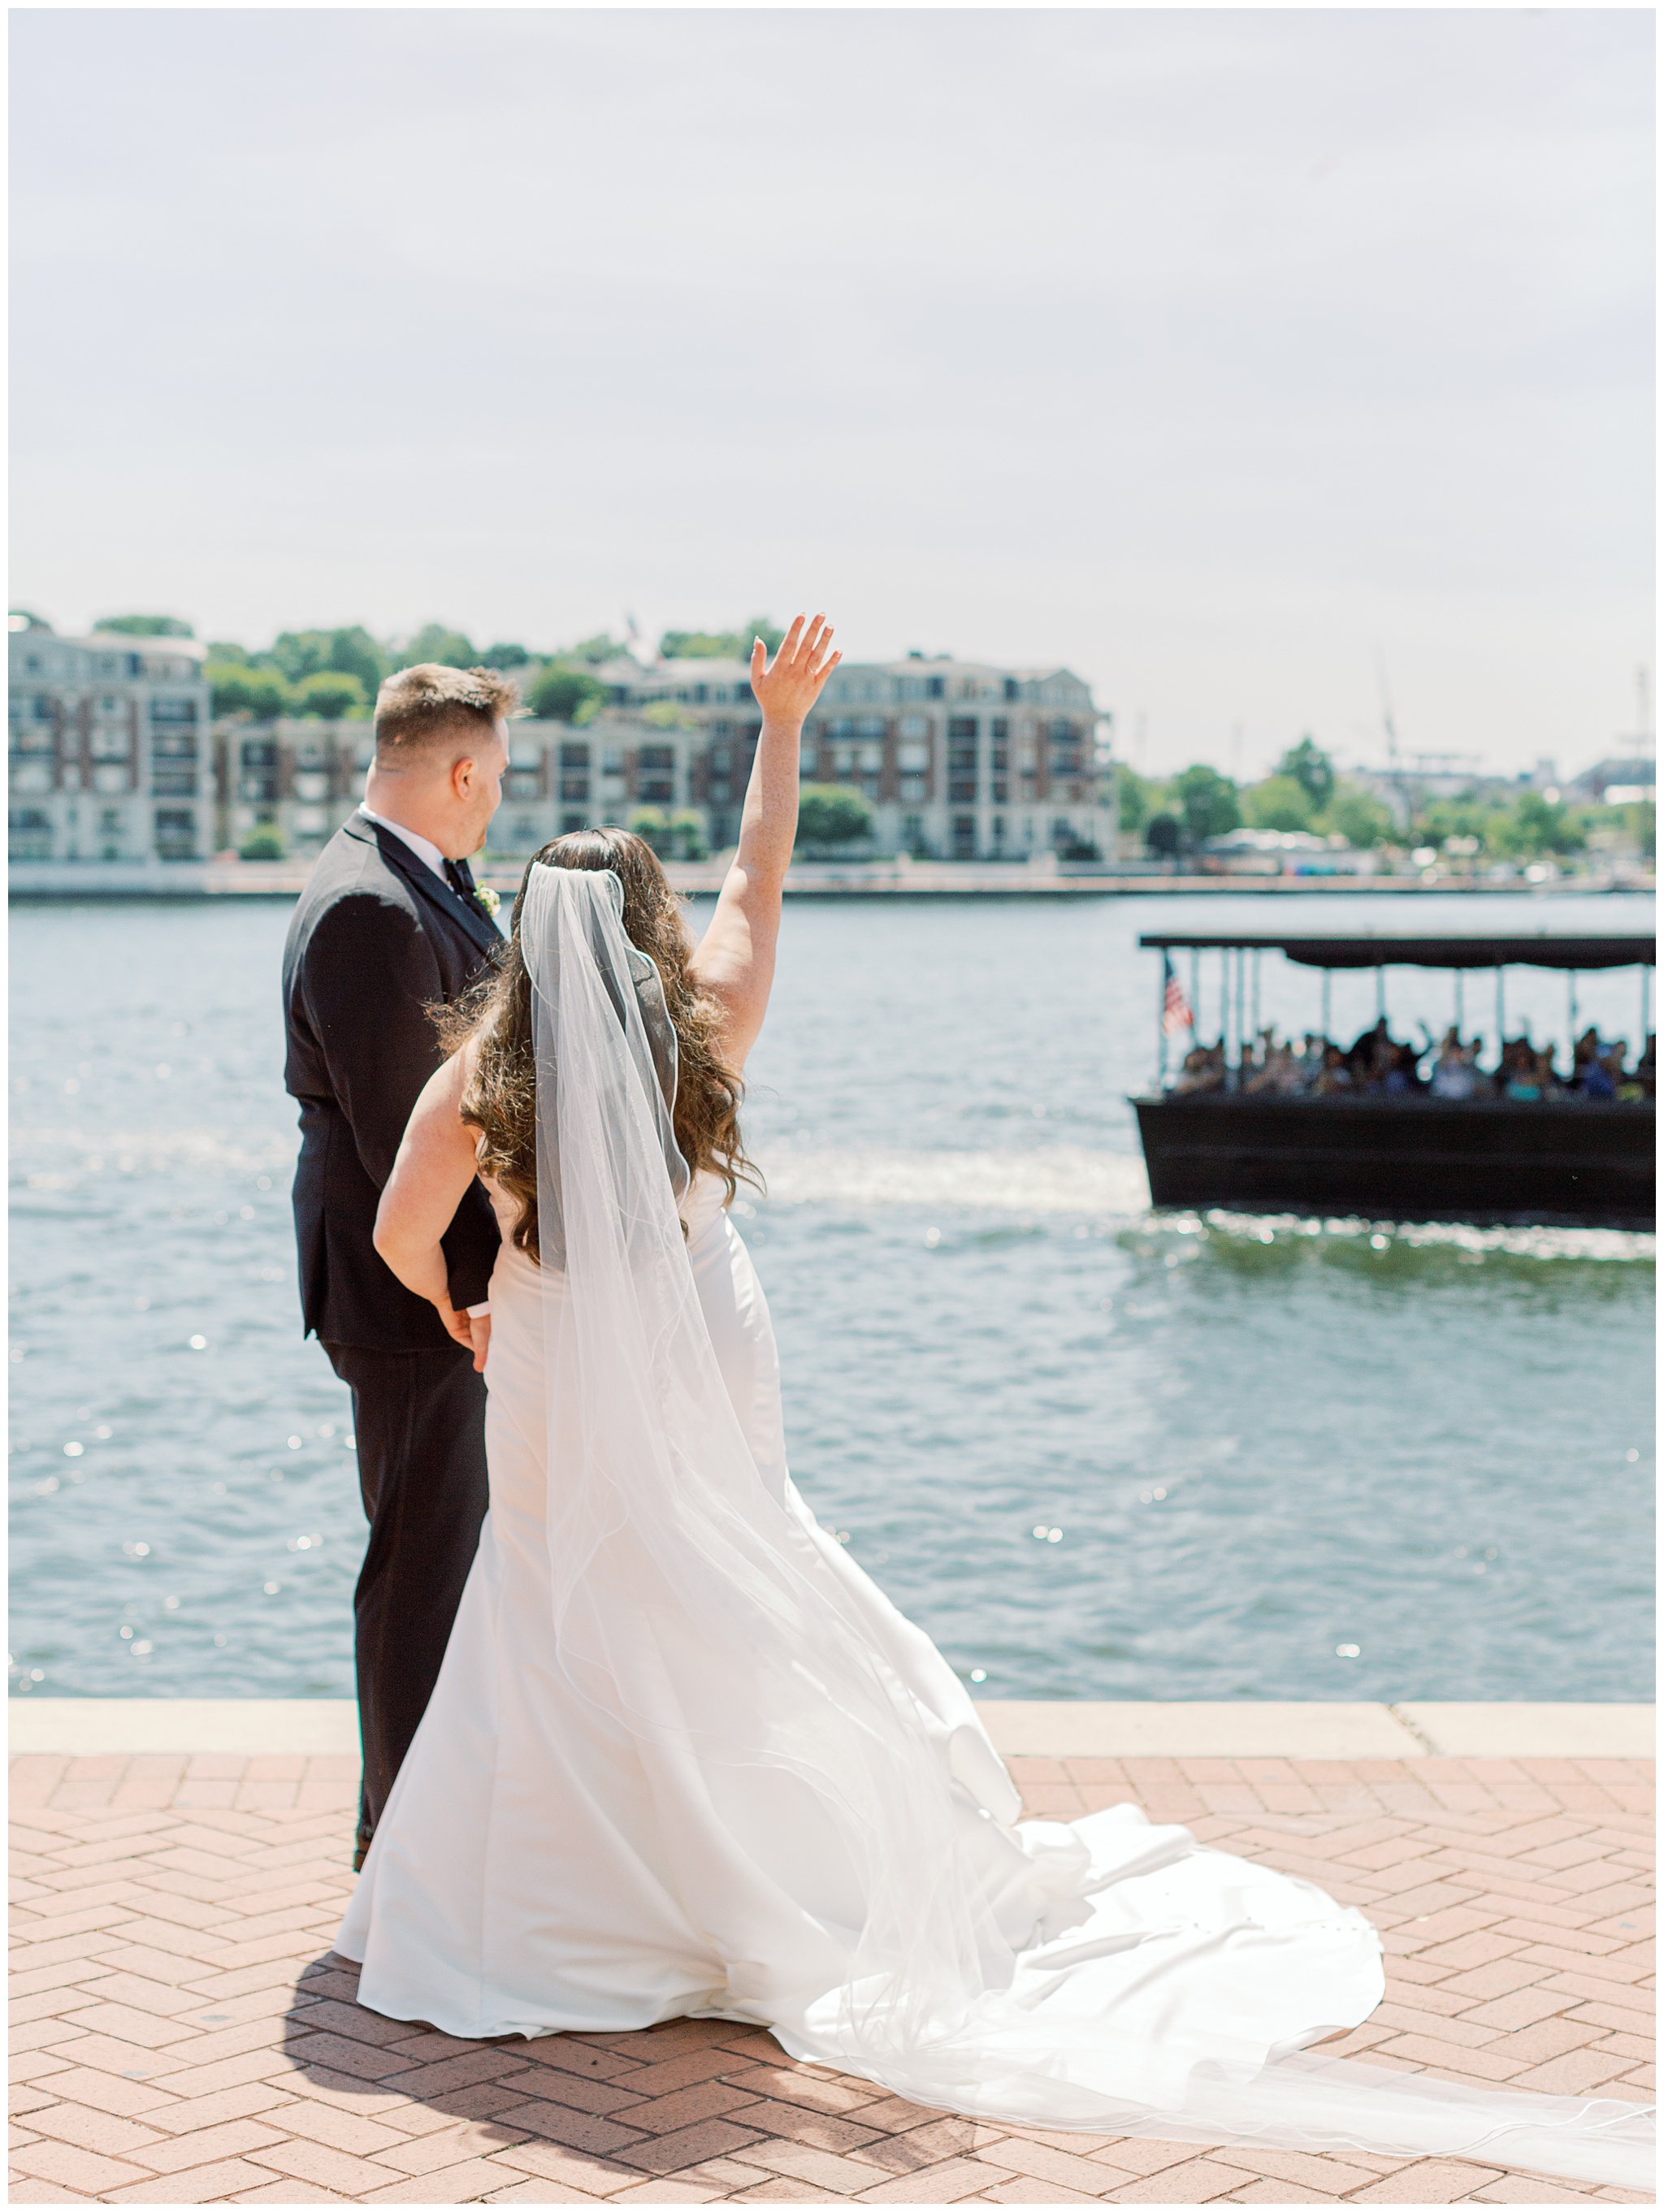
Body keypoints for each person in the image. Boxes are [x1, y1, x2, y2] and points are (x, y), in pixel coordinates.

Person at [335, 618, 1650, 2190]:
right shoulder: (714, 1028)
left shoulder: (483, 1075)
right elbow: (760, 877)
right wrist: (784, 724)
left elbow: (400, 1234)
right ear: (643, 928)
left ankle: (584, 1898)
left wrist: (458, 1304)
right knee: (735, 1567)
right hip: (703, 1332)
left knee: (557, 1597)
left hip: (548, 1353)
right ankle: (781, 1862)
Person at [281, 662, 512, 1870]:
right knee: (420, 1560)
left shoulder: (419, 885)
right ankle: (401, 1846)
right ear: (462, 770)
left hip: (427, 1283)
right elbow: (394, 1136)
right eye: (496, 783)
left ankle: (425, 1818)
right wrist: (468, 1291)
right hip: (406, 1289)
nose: (495, 809)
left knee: (443, 1548)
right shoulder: (371, 906)